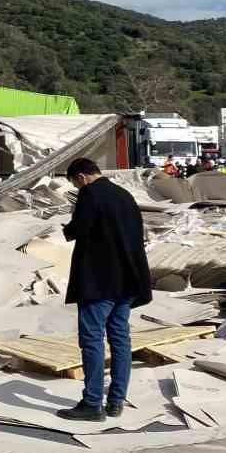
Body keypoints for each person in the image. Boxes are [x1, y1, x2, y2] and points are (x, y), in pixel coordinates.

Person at [55, 158, 152, 422]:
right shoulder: (124, 195)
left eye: (75, 182)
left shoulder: (90, 194)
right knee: (120, 339)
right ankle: (116, 401)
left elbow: (80, 228)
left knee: (92, 339)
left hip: (99, 282)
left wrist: (68, 228)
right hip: (128, 280)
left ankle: (92, 403)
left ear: (82, 177)